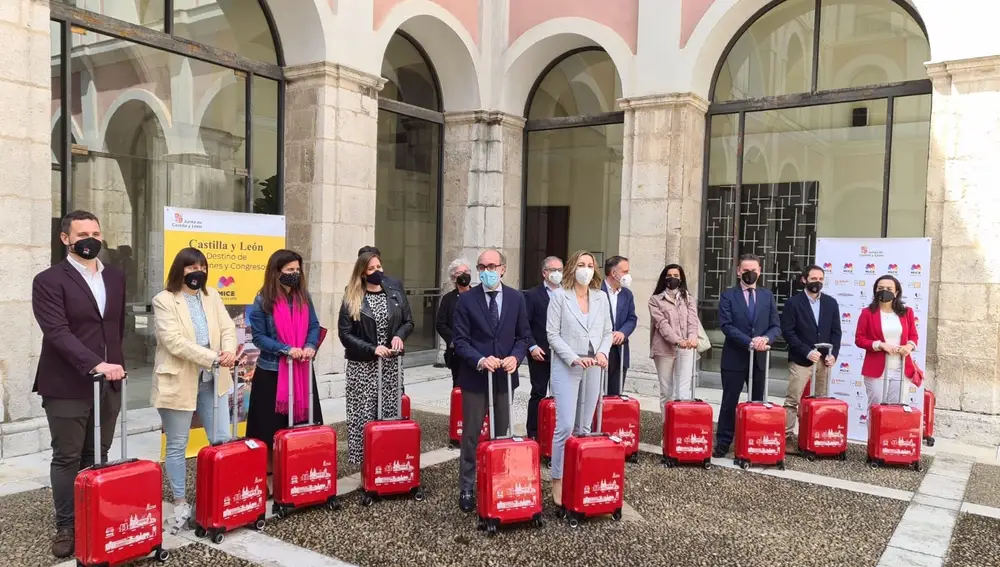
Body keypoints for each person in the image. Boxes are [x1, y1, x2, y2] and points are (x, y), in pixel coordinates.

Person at [32, 210, 127, 558]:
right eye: (82, 233)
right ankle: (67, 525)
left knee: (97, 453)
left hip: (109, 382)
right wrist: (94, 363)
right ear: (65, 239)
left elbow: (114, 329)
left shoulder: (115, 277)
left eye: (96, 233)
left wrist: (116, 365)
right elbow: (56, 332)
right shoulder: (48, 280)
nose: (91, 239)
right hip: (66, 384)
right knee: (67, 456)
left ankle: (93, 514)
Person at [152, 247, 238, 532]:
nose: (197, 272)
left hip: (214, 380)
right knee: (176, 445)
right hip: (179, 380)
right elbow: (173, 341)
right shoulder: (164, 300)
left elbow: (228, 328)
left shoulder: (212, 295)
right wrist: (212, 357)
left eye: (201, 266)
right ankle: (180, 500)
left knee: (221, 440)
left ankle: (215, 495)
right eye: (191, 267)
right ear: (180, 270)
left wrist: (227, 352)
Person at [452, 248, 532, 512]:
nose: (486, 271)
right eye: (482, 267)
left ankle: (499, 480)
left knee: (502, 433)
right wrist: (479, 359)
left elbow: (523, 336)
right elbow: (460, 340)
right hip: (476, 378)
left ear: (502, 269)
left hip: (504, 379)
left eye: (491, 266)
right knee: (472, 435)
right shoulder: (466, 300)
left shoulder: (516, 298)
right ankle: (466, 486)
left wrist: (515, 357)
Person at [246, 249, 324, 483]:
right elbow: (259, 338)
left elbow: (314, 325)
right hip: (272, 372)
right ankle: (270, 477)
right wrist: (286, 349)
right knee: (268, 430)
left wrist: (310, 345)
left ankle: (296, 472)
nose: (294, 274)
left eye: (297, 270)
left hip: (300, 371)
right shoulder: (263, 301)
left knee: (302, 425)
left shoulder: (303, 297)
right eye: (289, 270)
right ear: (276, 272)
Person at [547, 251, 613, 506]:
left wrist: (602, 352)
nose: (586, 269)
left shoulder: (600, 298)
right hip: (568, 366)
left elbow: (607, 331)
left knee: (585, 427)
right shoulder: (559, 297)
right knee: (564, 426)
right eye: (581, 265)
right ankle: (557, 479)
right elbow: (552, 334)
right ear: (572, 268)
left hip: (594, 365)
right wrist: (573, 357)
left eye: (590, 265)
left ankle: (579, 476)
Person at [338, 250, 414, 464]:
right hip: (362, 367)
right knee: (363, 416)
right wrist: (372, 348)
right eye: (371, 268)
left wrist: (399, 335)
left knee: (389, 413)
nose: (376, 271)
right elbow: (345, 334)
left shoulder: (395, 292)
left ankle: (387, 461)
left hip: (390, 366)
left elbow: (408, 321)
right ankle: (366, 466)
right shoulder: (352, 296)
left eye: (379, 267)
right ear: (362, 272)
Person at [714, 253, 782, 458]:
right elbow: (726, 326)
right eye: (745, 270)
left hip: (759, 359)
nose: (749, 274)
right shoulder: (728, 296)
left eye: (753, 270)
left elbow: (775, 326)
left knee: (757, 403)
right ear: (738, 272)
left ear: (760, 272)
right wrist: (750, 341)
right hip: (735, 358)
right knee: (729, 403)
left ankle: (754, 442)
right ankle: (723, 443)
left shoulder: (767, 296)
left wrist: (765, 339)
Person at [780, 264, 842, 440]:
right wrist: (806, 351)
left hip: (824, 360)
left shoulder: (831, 303)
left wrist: (833, 354)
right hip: (801, 359)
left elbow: (836, 332)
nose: (817, 282)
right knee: (793, 399)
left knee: (820, 400)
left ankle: (815, 435)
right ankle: (787, 436)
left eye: (821, 279)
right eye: (814, 279)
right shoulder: (793, 303)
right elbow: (788, 332)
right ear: (804, 280)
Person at [855, 275, 918, 408]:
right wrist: (879, 345)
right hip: (877, 368)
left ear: (896, 292)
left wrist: (909, 346)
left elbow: (914, 336)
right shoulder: (867, 313)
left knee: (897, 410)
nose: (884, 291)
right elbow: (859, 339)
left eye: (889, 288)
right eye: (880, 288)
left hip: (901, 368)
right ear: (875, 291)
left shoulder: (907, 312)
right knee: (876, 408)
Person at [648, 264, 700, 417]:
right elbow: (662, 324)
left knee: (683, 391)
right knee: (667, 392)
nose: (673, 278)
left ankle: (680, 429)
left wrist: (692, 338)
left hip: (686, 349)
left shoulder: (688, 299)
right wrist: (677, 340)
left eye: (676, 276)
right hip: (664, 350)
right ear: (664, 278)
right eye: (669, 275)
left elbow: (693, 321)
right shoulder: (655, 300)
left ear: (681, 278)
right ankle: (667, 429)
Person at [524, 256, 563, 439]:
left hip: (562, 355)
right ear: (544, 273)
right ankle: (534, 432)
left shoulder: (568, 293)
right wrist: (531, 346)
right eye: (553, 270)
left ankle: (556, 431)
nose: (557, 273)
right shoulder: (532, 295)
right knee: (538, 393)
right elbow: (524, 325)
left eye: (560, 270)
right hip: (540, 353)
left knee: (561, 395)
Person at [602, 256, 638, 396]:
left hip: (619, 350)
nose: (627, 275)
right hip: (600, 350)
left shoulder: (627, 294)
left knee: (615, 394)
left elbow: (632, 318)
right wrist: (608, 334)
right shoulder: (596, 291)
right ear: (613, 273)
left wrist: (622, 333)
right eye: (625, 271)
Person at [436, 258, 472, 388]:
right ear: (453, 278)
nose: (464, 275)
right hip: (457, 351)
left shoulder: (478, 295)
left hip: (478, 349)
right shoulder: (448, 299)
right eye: (460, 273)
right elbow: (440, 324)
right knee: (459, 386)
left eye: (466, 271)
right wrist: (455, 340)